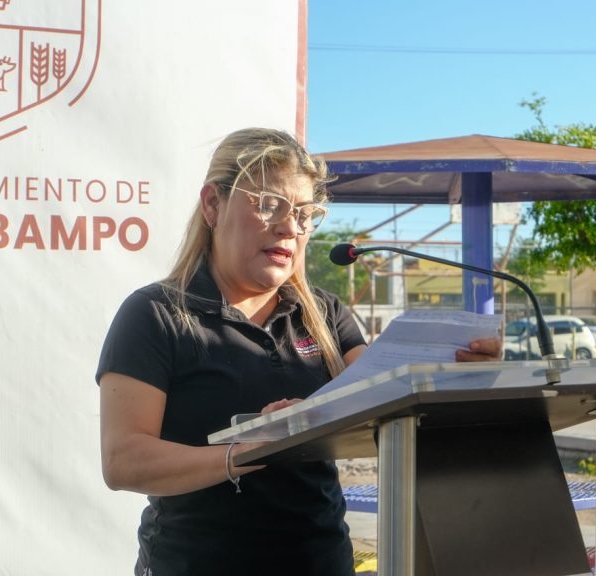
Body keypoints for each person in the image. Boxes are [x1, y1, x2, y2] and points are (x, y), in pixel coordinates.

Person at [96, 127, 501, 576]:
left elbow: (385, 408)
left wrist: (460, 380)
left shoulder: (325, 314)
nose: (290, 227)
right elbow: (123, 461)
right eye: (269, 204)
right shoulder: (156, 314)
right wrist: (250, 450)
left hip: (321, 562)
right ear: (213, 204)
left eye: (306, 214)